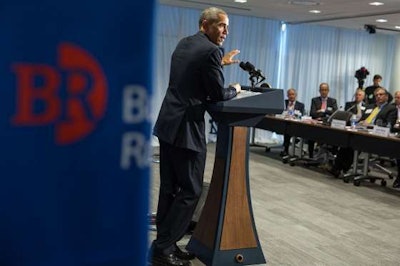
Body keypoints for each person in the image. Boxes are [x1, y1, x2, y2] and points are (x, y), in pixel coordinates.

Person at [151, 7, 241, 266]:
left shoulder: (185, 43)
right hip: (186, 129)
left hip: (169, 123)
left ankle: (163, 245)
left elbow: (191, 73)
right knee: (190, 189)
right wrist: (234, 89)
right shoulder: (212, 51)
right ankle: (164, 247)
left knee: (170, 188)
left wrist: (219, 64)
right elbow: (216, 94)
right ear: (205, 25)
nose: (226, 31)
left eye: (227, 27)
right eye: (222, 25)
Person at [329, 87, 395, 177]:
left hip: (376, 136)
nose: (378, 97)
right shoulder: (370, 107)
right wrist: (360, 122)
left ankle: (344, 168)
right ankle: (336, 168)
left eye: (381, 95)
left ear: (386, 97)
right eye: (376, 95)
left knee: (355, 144)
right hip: (362, 131)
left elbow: (388, 125)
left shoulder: (391, 109)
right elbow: (363, 119)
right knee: (347, 142)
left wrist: (370, 125)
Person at [308, 83, 338, 158]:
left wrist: (323, 111)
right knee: (310, 136)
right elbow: (312, 113)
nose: (324, 92)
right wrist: (326, 113)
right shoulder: (315, 100)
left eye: (325, 90)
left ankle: (331, 156)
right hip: (316, 124)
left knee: (336, 137)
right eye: (322, 90)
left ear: (328, 91)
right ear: (319, 91)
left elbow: (335, 113)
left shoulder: (333, 101)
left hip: (328, 125)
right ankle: (311, 155)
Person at [280, 88, 305, 156]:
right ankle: (286, 148)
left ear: (296, 95)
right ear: (287, 96)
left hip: (296, 124)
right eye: (289, 94)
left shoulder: (300, 105)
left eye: (293, 94)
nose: (291, 96)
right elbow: (280, 113)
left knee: (288, 129)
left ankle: (286, 148)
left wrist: (295, 116)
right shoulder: (284, 103)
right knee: (287, 128)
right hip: (284, 123)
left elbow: (301, 115)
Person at [388, 90, 400, 188]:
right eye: (396, 97)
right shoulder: (391, 107)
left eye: (399, 98)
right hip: (391, 133)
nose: (397, 99)